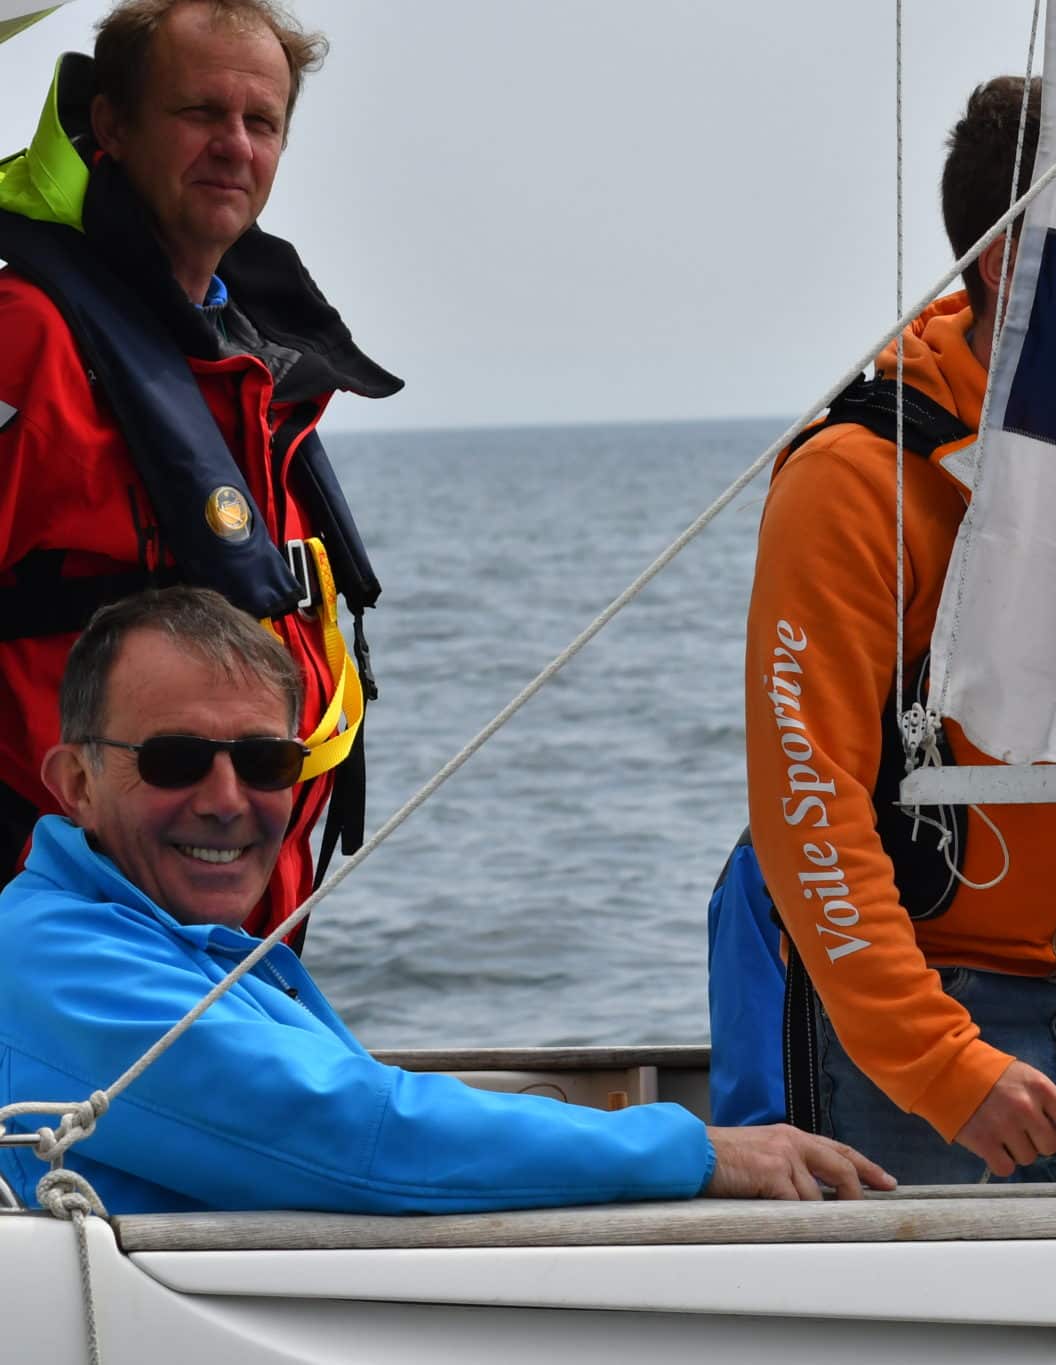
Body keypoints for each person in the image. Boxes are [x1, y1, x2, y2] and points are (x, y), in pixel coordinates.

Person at [0, 587, 894, 1215]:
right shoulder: (52, 964)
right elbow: (355, 1134)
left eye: (267, 761)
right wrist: (696, 1150)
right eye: (176, 759)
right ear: (76, 783)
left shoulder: (165, 941)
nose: (228, 799)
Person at [739, 77, 1056, 1185]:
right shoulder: (851, 481)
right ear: (1012, 265)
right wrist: (940, 1064)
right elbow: (807, 806)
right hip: (934, 1024)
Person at [0, 0, 391, 940]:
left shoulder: (254, 363)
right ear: (113, 125)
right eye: (200, 113)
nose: (234, 146)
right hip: (68, 937)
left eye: (261, 122)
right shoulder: (25, 336)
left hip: (238, 926)